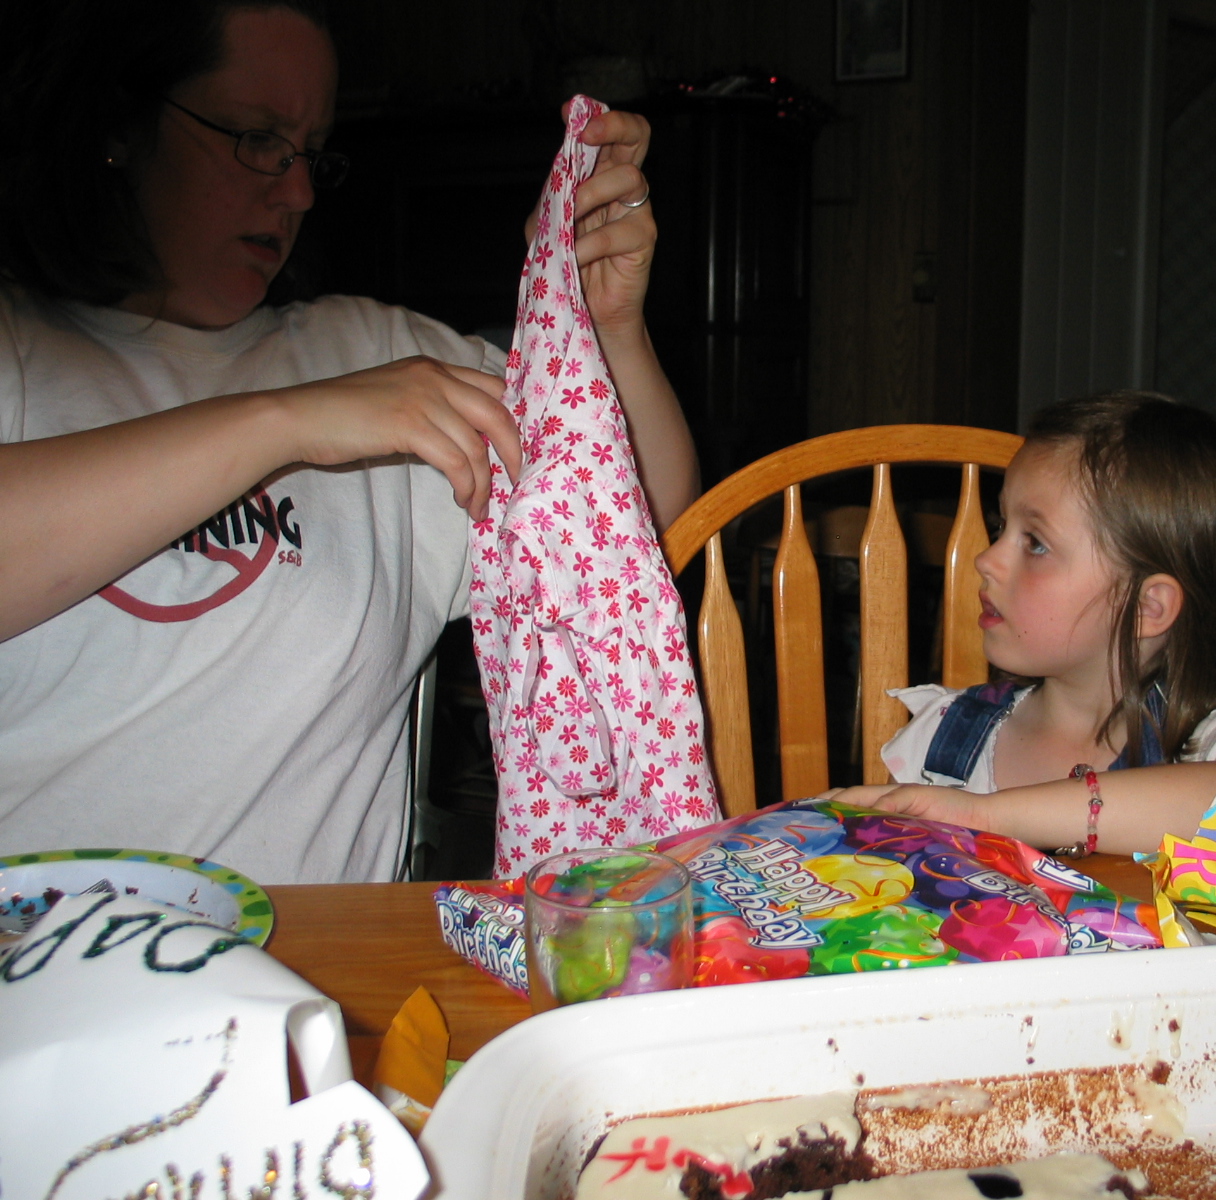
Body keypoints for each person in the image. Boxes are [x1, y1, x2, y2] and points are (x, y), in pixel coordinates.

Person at [0, 0, 698, 883]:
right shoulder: (20, 348)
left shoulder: (378, 353)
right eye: (257, 138)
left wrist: (605, 333)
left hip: (321, 963)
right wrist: (286, 421)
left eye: (310, 152)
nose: (295, 193)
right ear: (120, 129)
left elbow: (639, 531)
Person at [828, 392, 1216, 856]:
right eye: (1001, 526)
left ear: (1145, 608)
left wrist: (985, 817)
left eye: (1035, 543)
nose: (986, 559)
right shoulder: (943, 741)